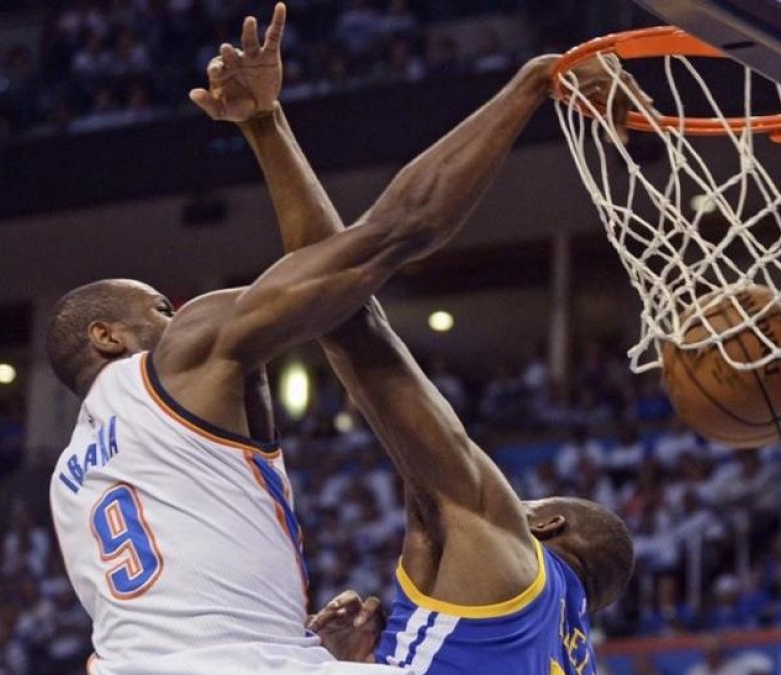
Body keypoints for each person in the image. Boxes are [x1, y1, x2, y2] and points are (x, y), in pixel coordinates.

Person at [48, 3, 624, 673]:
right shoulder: (561, 643)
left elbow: (354, 309)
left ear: (547, 526)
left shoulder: (69, 479)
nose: (179, 320)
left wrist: (534, 81)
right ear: (108, 336)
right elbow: (366, 265)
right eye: (161, 308)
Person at [258, 45, 645, 675]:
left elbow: (347, 311)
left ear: (542, 525)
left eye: (521, 501)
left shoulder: (510, 555)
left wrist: (265, 128)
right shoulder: (572, 658)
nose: (504, 498)